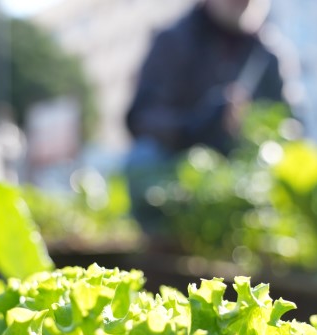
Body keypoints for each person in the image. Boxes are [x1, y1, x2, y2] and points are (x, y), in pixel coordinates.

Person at [124, 0, 293, 236]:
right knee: (144, 158)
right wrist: (201, 122)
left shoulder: (266, 55)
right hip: (180, 171)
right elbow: (142, 118)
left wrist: (253, 129)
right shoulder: (174, 41)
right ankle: (162, 241)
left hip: (242, 179)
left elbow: (291, 125)